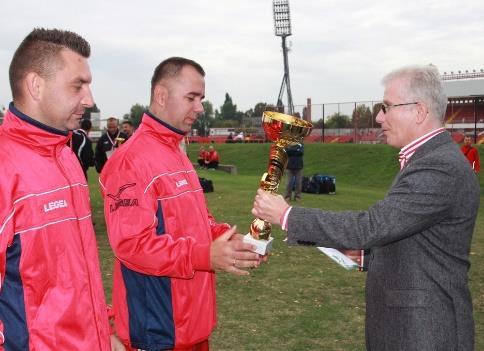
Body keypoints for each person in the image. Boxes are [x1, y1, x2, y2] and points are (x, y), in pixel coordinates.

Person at [252, 65, 479, 351]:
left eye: (386, 107)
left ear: (419, 111)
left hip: (424, 332)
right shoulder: (429, 160)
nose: (378, 117)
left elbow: (371, 226)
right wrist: (367, 256)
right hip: (410, 327)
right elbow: (418, 240)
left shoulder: (438, 167)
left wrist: (286, 214)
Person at [100, 57, 260, 351]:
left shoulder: (176, 152)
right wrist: (203, 256)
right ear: (161, 95)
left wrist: (226, 239)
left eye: (201, 98)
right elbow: (131, 245)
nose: (200, 108)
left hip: (194, 325)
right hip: (158, 330)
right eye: (191, 98)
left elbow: (197, 221)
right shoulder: (132, 160)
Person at [0, 27, 117, 350]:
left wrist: (103, 333)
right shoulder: (4, 167)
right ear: (36, 85)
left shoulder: (66, 158)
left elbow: (74, 278)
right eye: (78, 86)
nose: (90, 100)